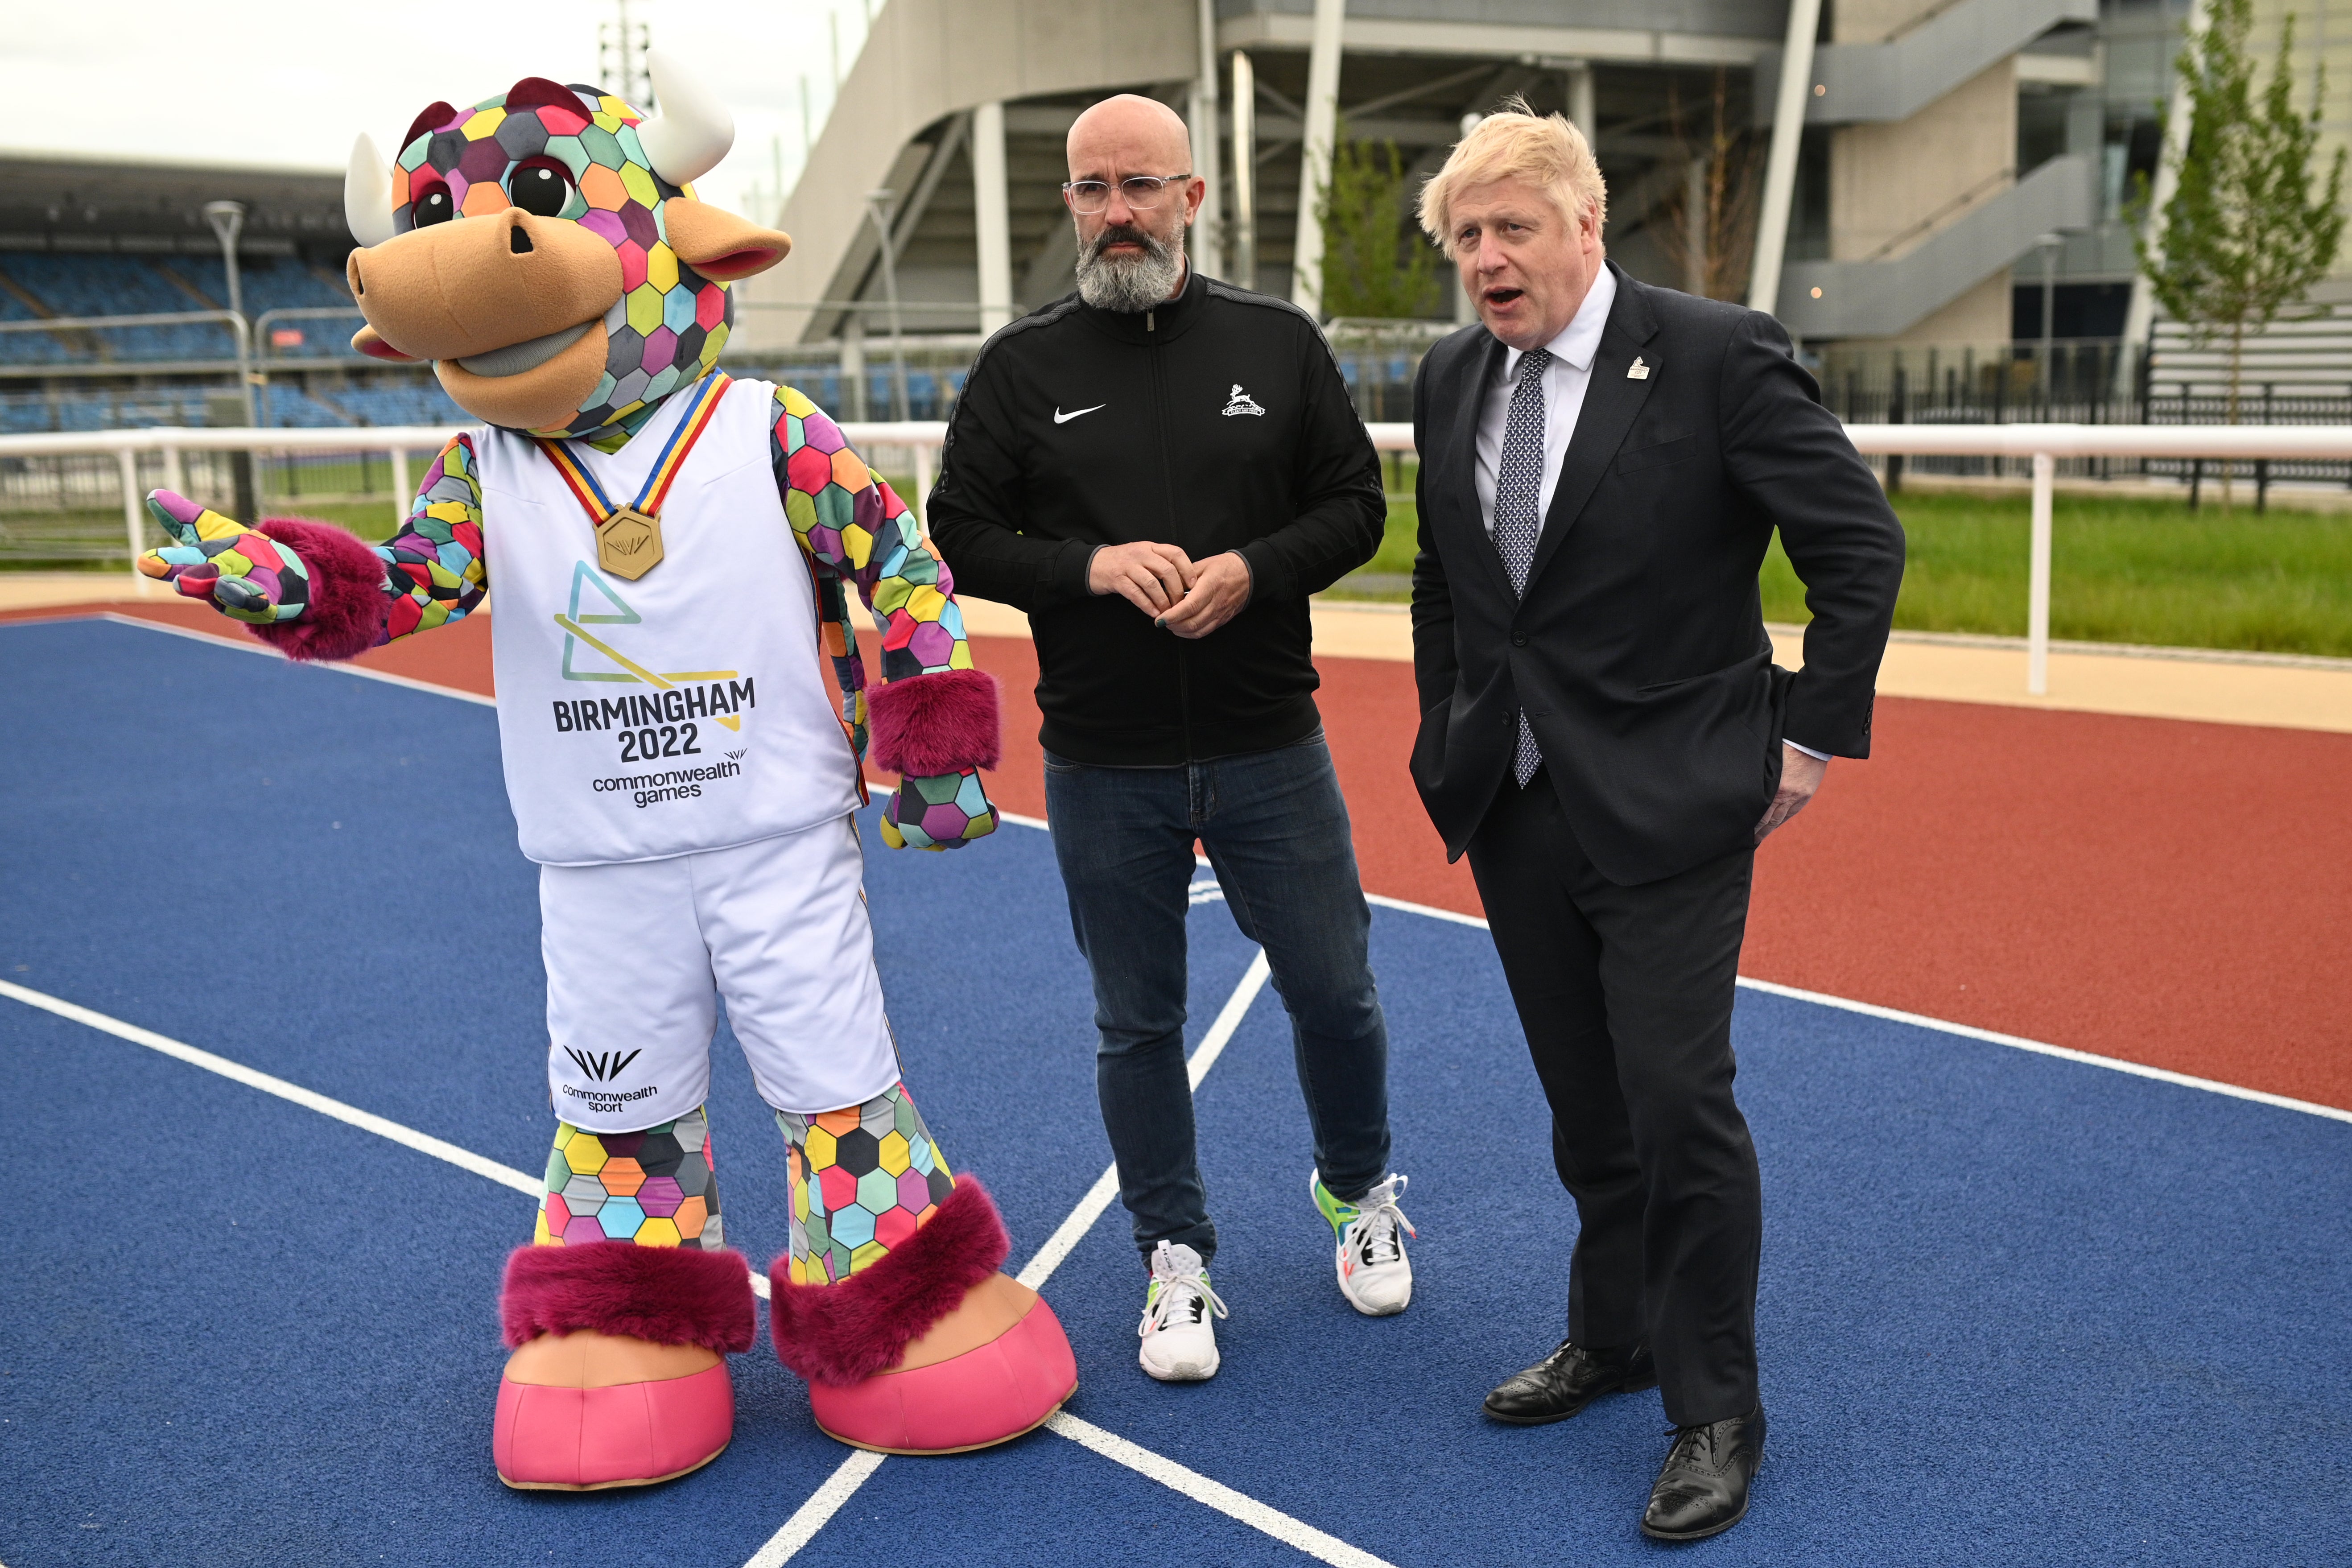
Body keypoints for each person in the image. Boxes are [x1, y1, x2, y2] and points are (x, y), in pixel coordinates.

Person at [1406, 102, 1903, 1541]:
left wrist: (1808, 729)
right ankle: (1612, 1333)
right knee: (1588, 1107)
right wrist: (1452, 722)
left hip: (1675, 792)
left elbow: (1854, 548)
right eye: (1465, 237)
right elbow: (1452, 577)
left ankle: (1714, 1408)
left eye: (1512, 227)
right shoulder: (1452, 375)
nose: (1488, 259)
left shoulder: (1713, 351)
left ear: (1585, 224)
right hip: (1512, 796)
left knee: (1679, 1103)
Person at [926, 94, 1410, 1382]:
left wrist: (1254, 568)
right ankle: (1173, 1256)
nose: (1116, 212)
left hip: (1267, 738)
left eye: (1141, 185)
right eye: (1092, 189)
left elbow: (1358, 508)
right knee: (1135, 1021)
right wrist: (1084, 567)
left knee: (1336, 991)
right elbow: (959, 530)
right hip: (1100, 755)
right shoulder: (1021, 368)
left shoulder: (1276, 343)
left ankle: (1356, 1190)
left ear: (1193, 197)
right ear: (1072, 207)